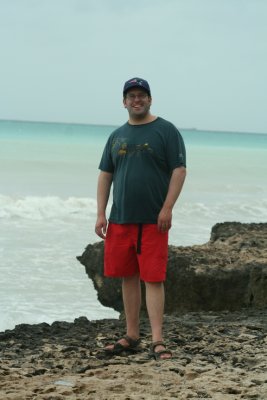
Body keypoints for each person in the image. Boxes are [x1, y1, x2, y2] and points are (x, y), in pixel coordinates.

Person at [95, 77, 186, 360]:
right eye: (131, 96)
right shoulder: (116, 136)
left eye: (142, 95)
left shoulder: (166, 131)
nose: (137, 100)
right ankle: (132, 335)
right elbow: (105, 175)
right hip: (120, 218)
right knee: (127, 276)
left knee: (153, 278)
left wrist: (168, 207)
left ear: (150, 99)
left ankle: (158, 340)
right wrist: (101, 212)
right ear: (124, 102)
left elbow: (179, 170)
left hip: (153, 219)